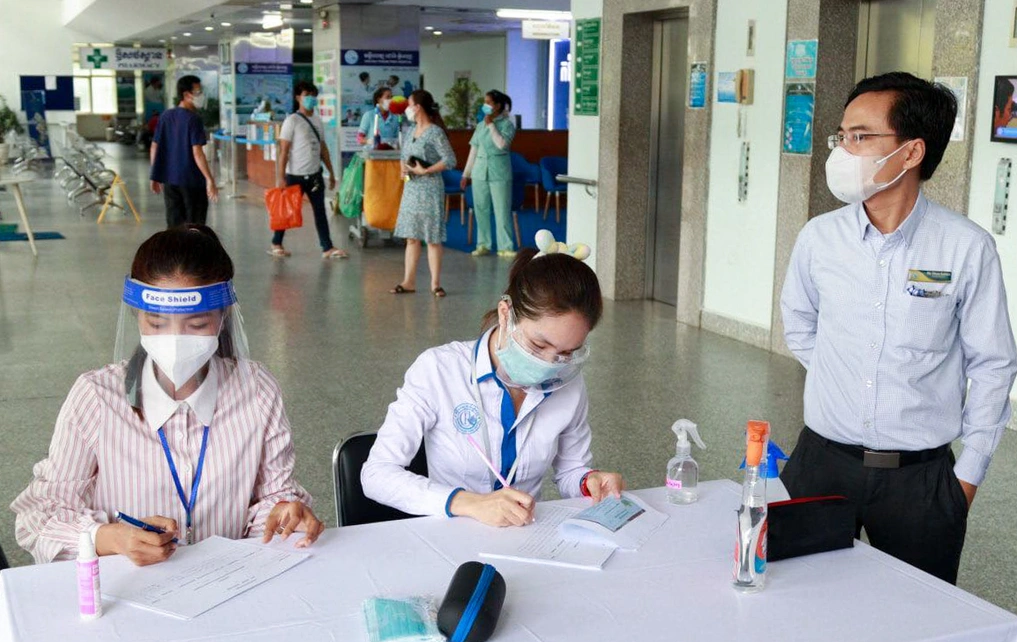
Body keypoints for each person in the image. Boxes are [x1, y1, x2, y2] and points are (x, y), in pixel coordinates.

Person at [780, 72, 1017, 584]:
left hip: (922, 482)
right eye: (841, 136)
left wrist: (965, 480)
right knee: (799, 611)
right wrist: (839, 372)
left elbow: (994, 365)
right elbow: (799, 322)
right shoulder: (819, 238)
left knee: (916, 625)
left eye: (861, 137)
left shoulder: (965, 247)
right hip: (820, 464)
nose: (844, 150)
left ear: (911, 153)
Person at [11, 225, 325, 566]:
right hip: (129, 596)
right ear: (137, 316)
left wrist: (282, 514)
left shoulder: (257, 391)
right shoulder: (98, 399)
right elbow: (37, 518)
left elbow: (273, 495)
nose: (176, 340)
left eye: (197, 324)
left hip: (228, 587)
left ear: (223, 318)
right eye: (157, 324)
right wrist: (107, 537)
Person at [364, 240, 625, 526]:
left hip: (527, 536)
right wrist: (469, 503)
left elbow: (570, 470)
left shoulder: (568, 384)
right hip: (453, 535)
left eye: (565, 353)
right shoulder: (440, 370)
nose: (549, 365)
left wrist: (589, 481)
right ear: (505, 314)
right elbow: (377, 474)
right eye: (538, 346)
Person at [269, 81, 346, 259]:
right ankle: (276, 242)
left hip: (315, 175)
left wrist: (331, 173)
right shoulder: (292, 121)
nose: (311, 98)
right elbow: (284, 150)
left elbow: (323, 148)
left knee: (320, 211)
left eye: (313, 95)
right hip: (294, 175)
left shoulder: (317, 121)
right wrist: (280, 177)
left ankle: (327, 247)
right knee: (287, 210)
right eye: (306, 95)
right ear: (298, 98)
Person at [390, 90, 456, 297]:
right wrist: (404, 169)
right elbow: (404, 154)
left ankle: (435, 283)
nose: (407, 108)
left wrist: (425, 170)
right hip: (411, 188)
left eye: (410, 104)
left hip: (429, 188)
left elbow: (450, 160)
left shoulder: (435, 132)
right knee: (412, 237)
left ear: (418, 107)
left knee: (432, 237)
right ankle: (408, 281)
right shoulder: (410, 130)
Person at [149, 75, 218, 227]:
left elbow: (155, 146)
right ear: (187, 95)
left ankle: (174, 251)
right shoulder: (193, 119)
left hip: (170, 180)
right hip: (191, 180)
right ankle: (192, 251)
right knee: (194, 225)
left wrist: (154, 175)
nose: (202, 96)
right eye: (199, 92)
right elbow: (197, 152)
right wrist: (209, 179)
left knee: (174, 224)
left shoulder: (166, 116)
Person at [464, 90, 517, 258]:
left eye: (489, 102)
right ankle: (483, 244)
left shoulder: (507, 124)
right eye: (484, 102)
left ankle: (505, 246)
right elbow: (473, 150)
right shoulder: (480, 126)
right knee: (481, 209)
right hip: (479, 172)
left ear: (498, 106)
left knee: (502, 210)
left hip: (499, 172)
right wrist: (466, 174)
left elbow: (502, 144)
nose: (485, 105)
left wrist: (491, 125)